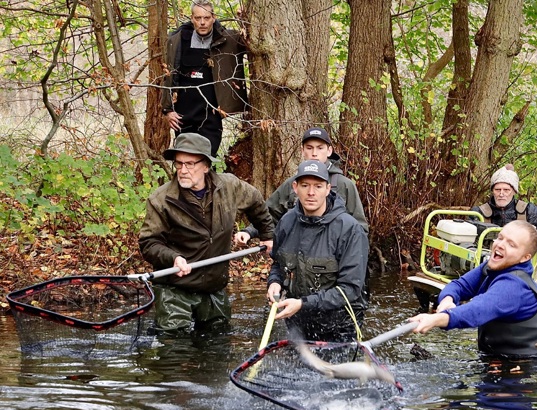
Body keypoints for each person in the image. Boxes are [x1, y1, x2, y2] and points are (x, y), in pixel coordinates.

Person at [138, 133, 274, 333]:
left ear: (206, 165)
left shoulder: (229, 186)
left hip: (213, 285)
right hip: (174, 287)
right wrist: (173, 258)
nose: (183, 171)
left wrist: (267, 235)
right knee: (174, 347)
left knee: (217, 342)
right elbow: (149, 243)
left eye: (190, 164)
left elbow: (256, 203)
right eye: (179, 164)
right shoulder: (161, 200)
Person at [410, 220, 537, 357]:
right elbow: (460, 285)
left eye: (511, 245)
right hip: (495, 357)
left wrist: (435, 320)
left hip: (524, 366)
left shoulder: (515, 287)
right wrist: (447, 299)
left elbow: (477, 310)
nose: (500, 245)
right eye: (500, 238)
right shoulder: (492, 267)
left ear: (524, 258)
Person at [266, 160, 369, 342]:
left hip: (340, 327)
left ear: (328, 189)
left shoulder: (350, 230)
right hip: (298, 323)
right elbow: (277, 264)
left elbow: (350, 289)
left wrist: (303, 304)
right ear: (295, 188)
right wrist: (274, 282)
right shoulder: (286, 222)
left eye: (318, 186)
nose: (311, 193)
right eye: (305, 185)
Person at [234, 127, 368, 244]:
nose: (314, 153)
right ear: (302, 151)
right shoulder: (292, 184)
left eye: (320, 148)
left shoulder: (345, 185)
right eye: (309, 148)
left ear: (329, 151)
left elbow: (360, 229)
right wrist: (249, 232)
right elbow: (269, 214)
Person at [161, 0, 248, 157]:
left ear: (213, 17)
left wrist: (244, 20)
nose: (202, 22)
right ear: (192, 18)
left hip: (211, 117)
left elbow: (251, 43)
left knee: (206, 159)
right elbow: (168, 75)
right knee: (186, 160)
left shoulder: (228, 39)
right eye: (198, 18)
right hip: (183, 118)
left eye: (206, 18)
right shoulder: (178, 40)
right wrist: (167, 110)